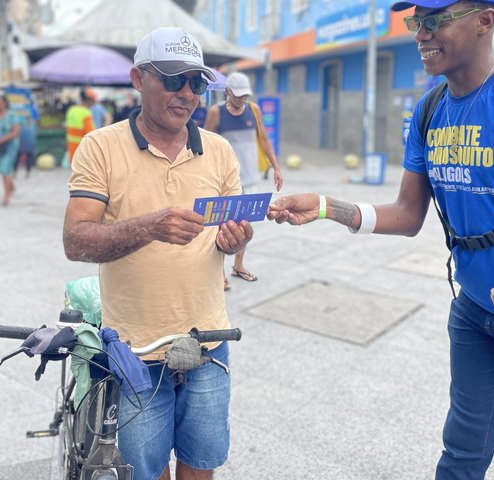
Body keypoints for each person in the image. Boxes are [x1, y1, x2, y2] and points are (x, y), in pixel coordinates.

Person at [268, 1, 494, 478]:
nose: (421, 33)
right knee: (461, 453)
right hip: (475, 313)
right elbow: (408, 214)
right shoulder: (430, 110)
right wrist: (329, 207)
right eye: (416, 21)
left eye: (436, 19)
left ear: (485, 19)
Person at [62, 27, 252, 480]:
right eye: (173, 79)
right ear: (138, 78)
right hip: (135, 348)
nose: (187, 93)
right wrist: (150, 226)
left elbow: (237, 236)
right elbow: (75, 240)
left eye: (197, 83)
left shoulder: (221, 151)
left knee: (201, 461)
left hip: (209, 340)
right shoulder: (100, 146)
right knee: (146, 468)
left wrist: (237, 241)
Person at [205, 72, 283, 288]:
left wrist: (276, 167)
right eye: (237, 96)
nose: (241, 100)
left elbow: (264, 139)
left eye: (244, 96)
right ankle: (218, 272)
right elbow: (206, 142)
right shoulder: (216, 112)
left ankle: (238, 265)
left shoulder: (254, 110)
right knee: (220, 226)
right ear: (227, 92)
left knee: (244, 226)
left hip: (249, 176)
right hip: (224, 178)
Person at [65, 88, 96, 164]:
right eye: (93, 102)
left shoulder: (71, 110)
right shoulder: (86, 113)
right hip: (82, 151)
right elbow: (90, 134)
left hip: (71, 149)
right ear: (89, 101)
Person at [16, 104, 39, 178]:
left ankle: (23, 172)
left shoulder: (18, 108)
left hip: (25, 138)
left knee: (22, 155)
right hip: (23, 138)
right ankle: (18, 172)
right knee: (20, 155)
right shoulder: (31, 108)